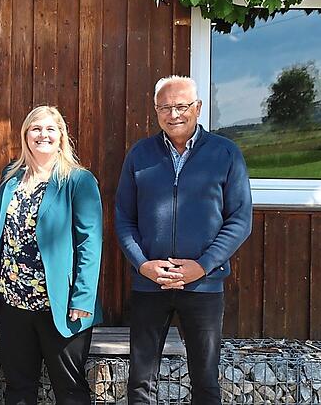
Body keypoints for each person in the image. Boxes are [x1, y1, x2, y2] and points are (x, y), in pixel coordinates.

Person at [115, 75, 253, 405]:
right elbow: (123, 218)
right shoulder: (140, 155)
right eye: (166, 107)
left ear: (198, 108)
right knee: (140, 381)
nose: (174, 114)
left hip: (203, 286)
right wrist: (143, 264)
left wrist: (203, 266)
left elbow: (240, 220)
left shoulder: (226, 153)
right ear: (155, 111)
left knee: (205, 381)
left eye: (182, 106)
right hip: (150, 284)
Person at [0, 105, 103, 405]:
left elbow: (90, 243)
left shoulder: (78, 180)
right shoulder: (11, 177)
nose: (43, 134)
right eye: (36, 128)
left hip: (60, 304)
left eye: (51, 129)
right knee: (19, 387)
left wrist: (82, 298)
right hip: (11, 305)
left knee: (70, 389)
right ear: (26, 135)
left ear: (61, 136)